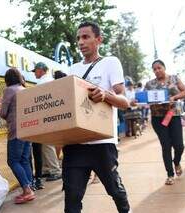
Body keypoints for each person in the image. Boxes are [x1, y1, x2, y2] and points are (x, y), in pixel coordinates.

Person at [63, 21, 131, 213]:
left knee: (115, 191)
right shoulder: (73, 69)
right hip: (75, 145)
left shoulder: (110, 63)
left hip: (102, 143)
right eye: (78, 38)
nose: (80, 42)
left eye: (86, 37)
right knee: (72, 199)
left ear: (98, 40)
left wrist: (105, 95)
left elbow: (124, 101)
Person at [145, 59, 185, 185]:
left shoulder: (174, 78)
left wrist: (174, 97)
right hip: (158, 118)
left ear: (164, 68)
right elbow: (143, 97)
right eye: (154, 69)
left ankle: (176, 162)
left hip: (173, 115)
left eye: (159, 68)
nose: (157, 70)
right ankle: (170, 174)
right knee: (166, 146)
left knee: (179, 145)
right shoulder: (149, 84)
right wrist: (136, 101)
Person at [0, 68, 35, 203]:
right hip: (28, 129)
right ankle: (30, 187)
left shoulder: (9, 90)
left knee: (13, 161)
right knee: (24, 160)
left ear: (7, 79)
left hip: (16, 131)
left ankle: (27, 190)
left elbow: (3, 113)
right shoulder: (24, 89)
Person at [32, 62, 62, 182]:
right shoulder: (51, 80)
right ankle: (46, 169)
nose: (34, 74)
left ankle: (55, 170)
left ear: (40, 70)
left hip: (45, 117)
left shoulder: (42, 82)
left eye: (35, 71)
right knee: (45, 143)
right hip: (51, 116)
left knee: (47, 144)